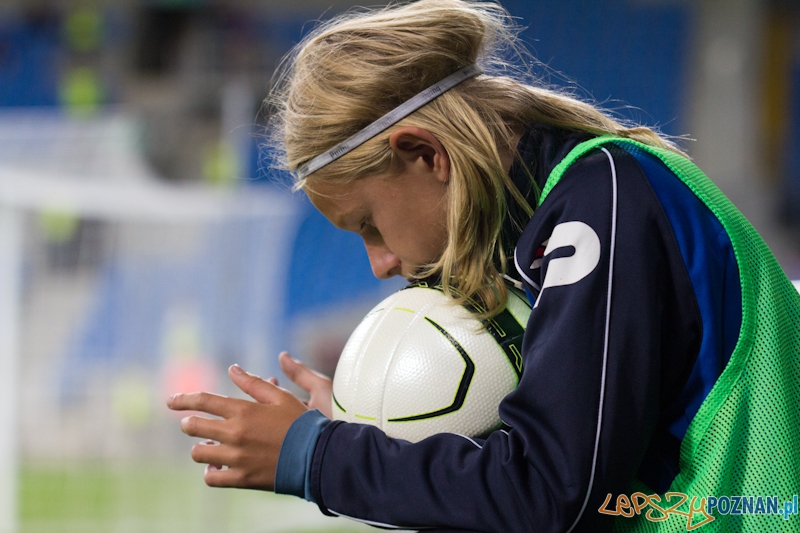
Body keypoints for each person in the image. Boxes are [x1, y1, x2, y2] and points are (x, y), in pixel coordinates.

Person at [166, 1, 800, 531]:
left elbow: (553, 493)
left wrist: (318, 455)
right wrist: (377, 422)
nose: (381, 263)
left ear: (423, 153)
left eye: (370, 226)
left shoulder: (600, 201)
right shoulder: (562, 214)